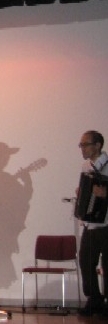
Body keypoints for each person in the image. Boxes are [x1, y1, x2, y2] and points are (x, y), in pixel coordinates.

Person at [77, 130, 108, 316]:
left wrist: (105, 193)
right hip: (91, 223)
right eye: (81, 145)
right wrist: (82, 192)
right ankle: (94, 300)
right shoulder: (86, 166)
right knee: (86, 261)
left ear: (97, 145)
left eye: (85, 144)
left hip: (107, 223)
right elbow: (86, 189)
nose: (82, 148)